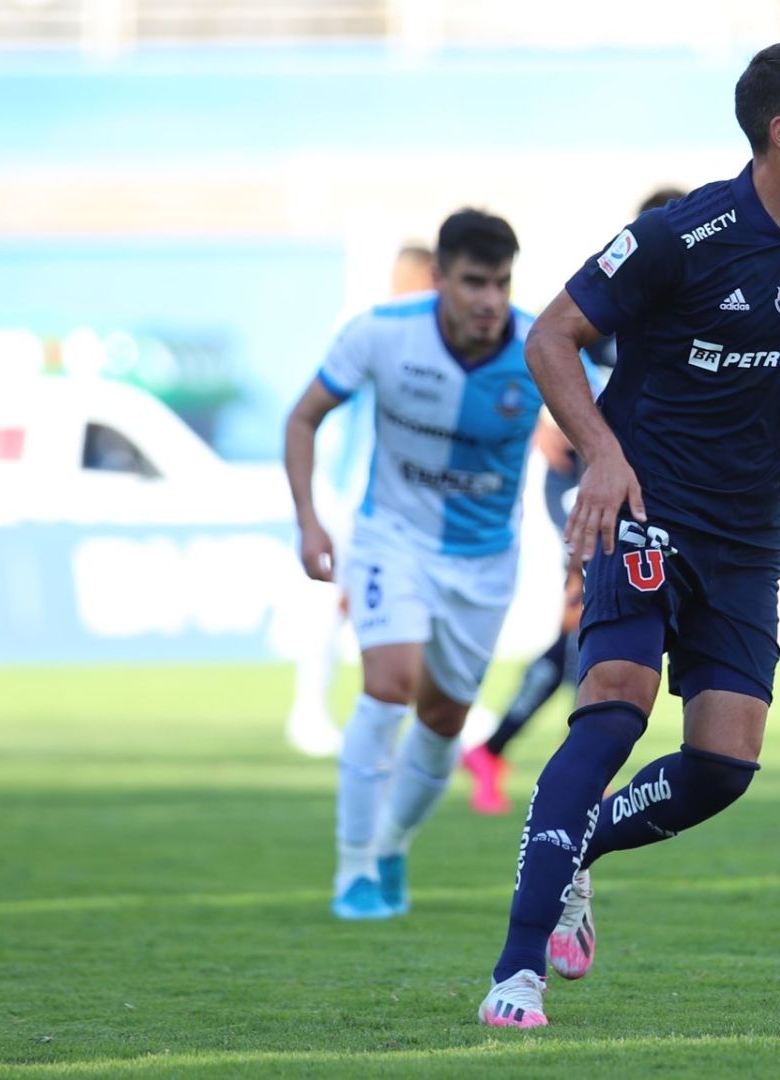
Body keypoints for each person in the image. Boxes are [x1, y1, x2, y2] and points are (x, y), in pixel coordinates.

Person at [478, 42, 780, 1029]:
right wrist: (602, 455)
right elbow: (549, 336)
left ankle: (578, 849)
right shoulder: (680, 235)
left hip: (747, 534)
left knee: (724, 766)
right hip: (645, 510)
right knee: (613, 708)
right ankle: (517, 973)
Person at [283, 210, 543, 920]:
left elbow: (594, 435)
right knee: (388, 685)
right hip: (390, 537)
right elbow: (303, 416)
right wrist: (309, 519)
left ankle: (393, 844)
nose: (489, 299)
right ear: (439, 279)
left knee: (444, 717)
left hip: (484, 561)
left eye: (501, 283)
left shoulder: (539, 347)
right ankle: (353, 871)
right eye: (474, 282)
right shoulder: (381, 333)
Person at [461, 187, 688, 816]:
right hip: (580, 483)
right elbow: (546, 344)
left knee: (583, 633)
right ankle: (578, 773)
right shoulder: (617, 298)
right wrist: (546, 418)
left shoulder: (688, 312)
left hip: (638, 485)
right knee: (587, 620)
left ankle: (504, 753)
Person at [285, 242, 437, 759]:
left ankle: (436, 707)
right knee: (329, 600)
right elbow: (317, 414)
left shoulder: (426, 336)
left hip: (401, 498)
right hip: (354, 493)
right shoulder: (372, 332)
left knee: (418, 601)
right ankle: (308, 711)